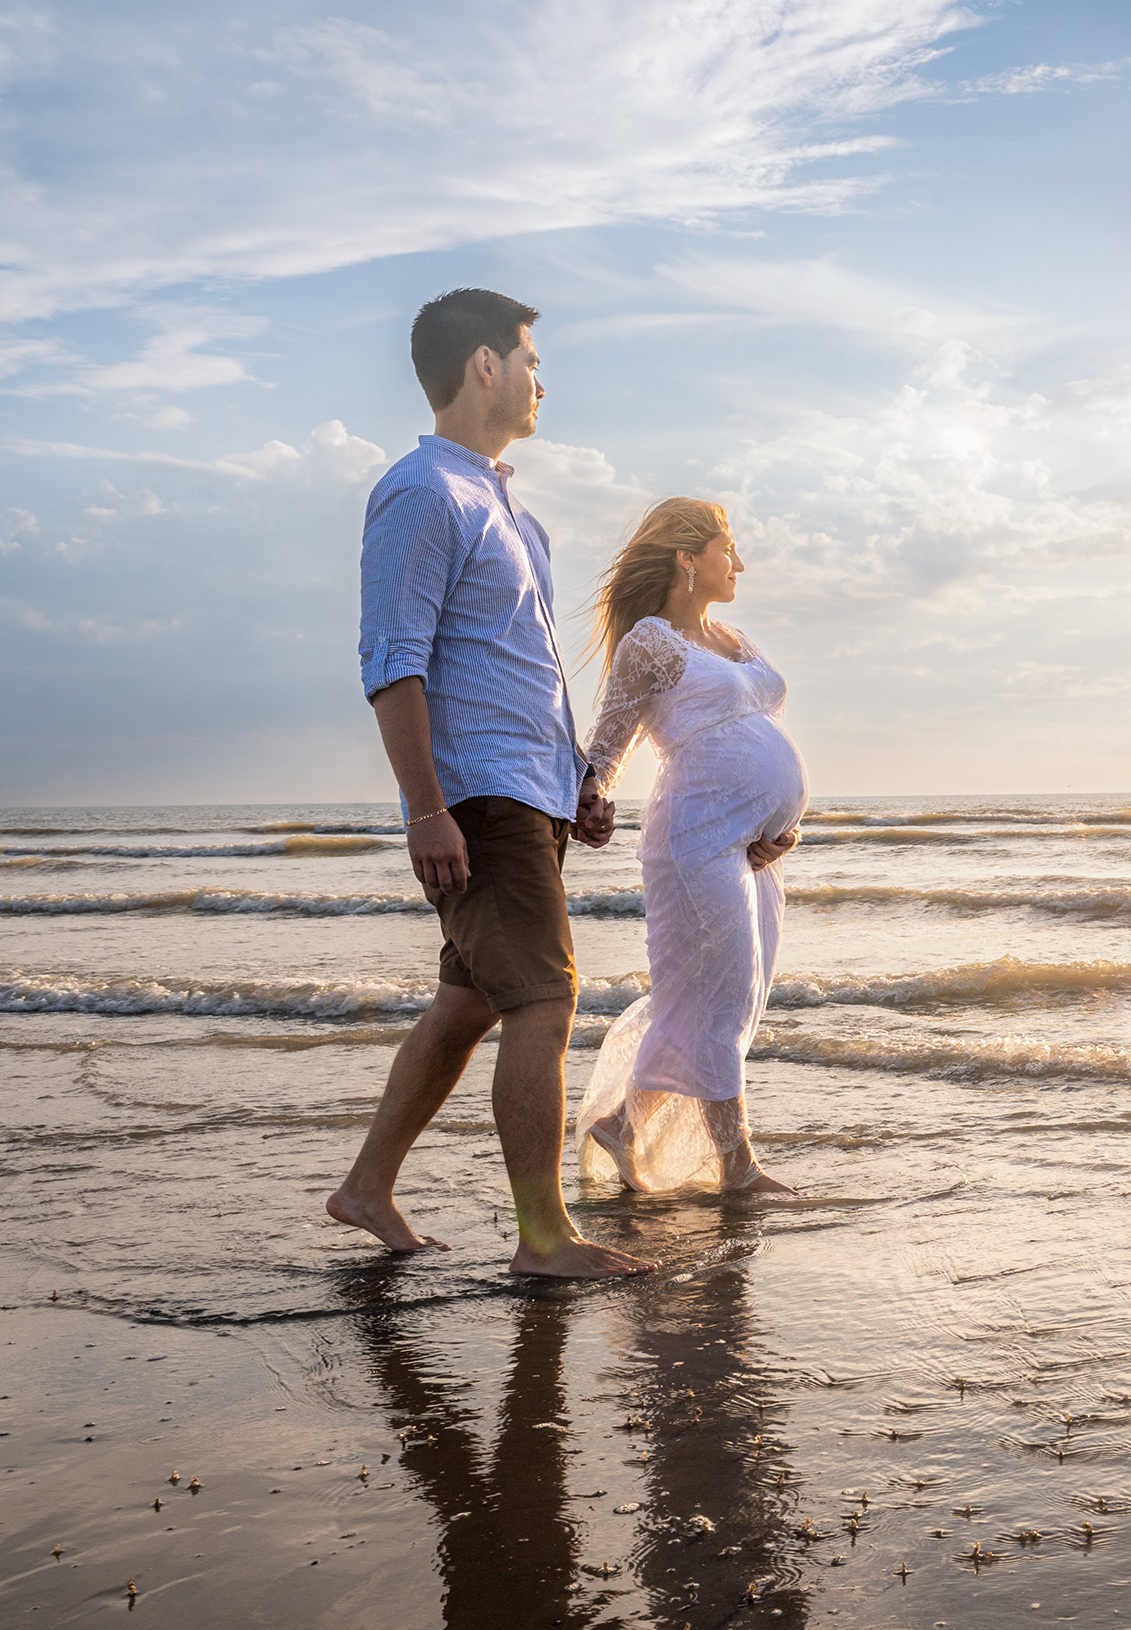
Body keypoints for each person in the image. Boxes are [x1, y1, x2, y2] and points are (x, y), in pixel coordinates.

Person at [327, 287, 654, 1279]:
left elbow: (519, 670)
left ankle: (366, 1188)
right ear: (483, 366)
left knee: (469, 1005)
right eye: (530, 360)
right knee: (545, 1004)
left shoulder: (509, 508)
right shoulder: (423, 491)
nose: (540, 381)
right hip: (479, 801)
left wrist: (578, 782)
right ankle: (543, 1239)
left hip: (527, 792)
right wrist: (427, 808)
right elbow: (393, 659)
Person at [572, 498, 805, 1193]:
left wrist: (782, 826)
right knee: (722, 991)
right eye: (727, 548)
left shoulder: (735, 639)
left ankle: (622, 1126)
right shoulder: (650, 640)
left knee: (727, 991)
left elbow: (760, 743)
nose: (739, 563)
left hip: (754, 852)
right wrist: (592, 799)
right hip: (694, 838)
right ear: (687, 556)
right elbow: (607, 750)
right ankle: (737, 1165)